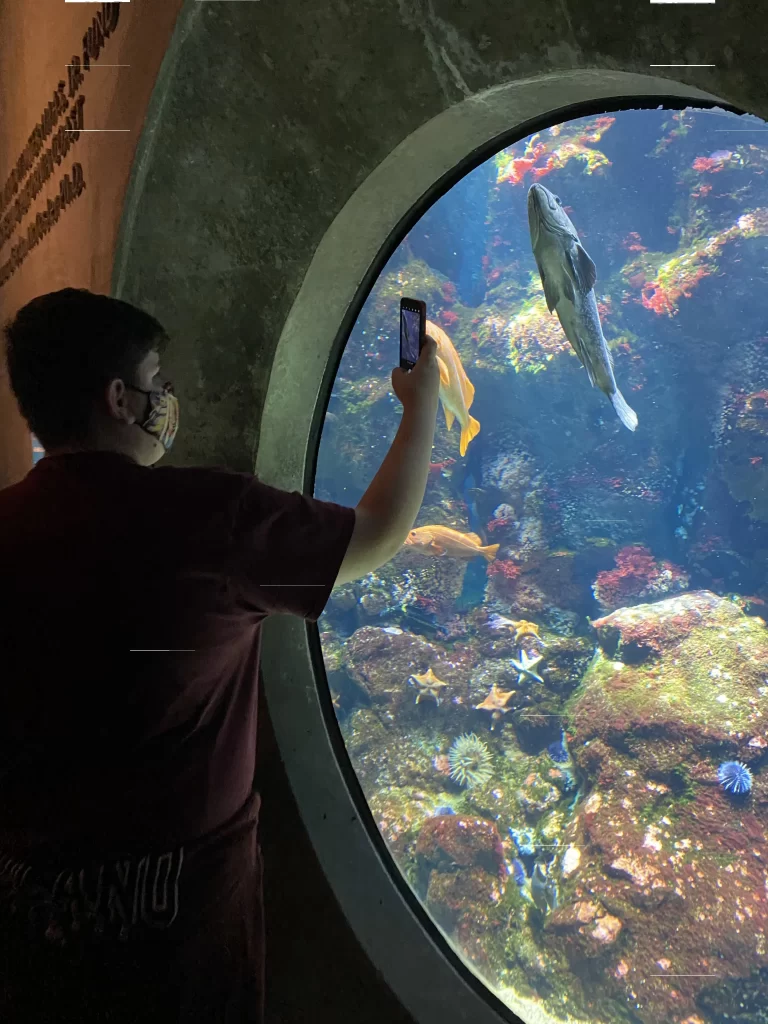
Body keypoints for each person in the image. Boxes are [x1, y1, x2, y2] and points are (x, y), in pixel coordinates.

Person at [0, 288, 440, 1023]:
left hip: (28, 914)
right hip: (181, 922)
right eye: (156, 378)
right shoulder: (209, 518)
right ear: (119, 398)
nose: (167, 395)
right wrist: (418, 399)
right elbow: (379, 533)